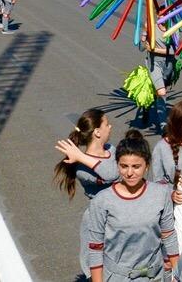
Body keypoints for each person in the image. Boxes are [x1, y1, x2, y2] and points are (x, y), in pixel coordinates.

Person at [86, 130, 179, 282]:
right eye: (124, 166)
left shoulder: (161, 194)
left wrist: (178, 273)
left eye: (136, 166)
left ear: (146, 166)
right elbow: (95, 248)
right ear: (117, 165)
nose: (129, 173)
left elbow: (169, 236)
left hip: (155, 276)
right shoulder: (102, 200)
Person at [54, 109, 119, 278]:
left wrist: (80, 156)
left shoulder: (111, 149)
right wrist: (81, 157)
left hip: (120, 215)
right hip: (99, 219)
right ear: (97, 132)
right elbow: (111, 174)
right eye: (107, 124)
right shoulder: (82, 169)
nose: (110, 127)